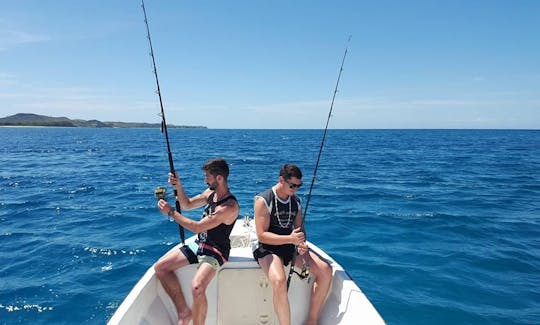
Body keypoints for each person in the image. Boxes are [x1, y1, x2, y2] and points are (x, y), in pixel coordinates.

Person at [155, 158, 239, 325]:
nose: (205, 179)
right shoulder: (210, 194)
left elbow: (197, 227)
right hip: (200, 244)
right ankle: (184, 313)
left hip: (216, 250)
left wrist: (171, 212)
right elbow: (187, 204)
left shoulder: (228, 206)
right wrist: (178, 185)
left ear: (219, 178)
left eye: (207, 176)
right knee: (161, 268)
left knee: (197, 287)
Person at [253, 163, 332, 325]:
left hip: (289, 245)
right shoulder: (264, 200)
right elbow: (262, 236)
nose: (295, 189)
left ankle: (311, 320)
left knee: (325, 270)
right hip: (267, 248)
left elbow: (300, 229)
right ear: (281, 180)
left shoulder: (296, 201)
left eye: (298, 186)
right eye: (292, 185)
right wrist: (291, 239)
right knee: (279, 280)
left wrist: (302, 245)